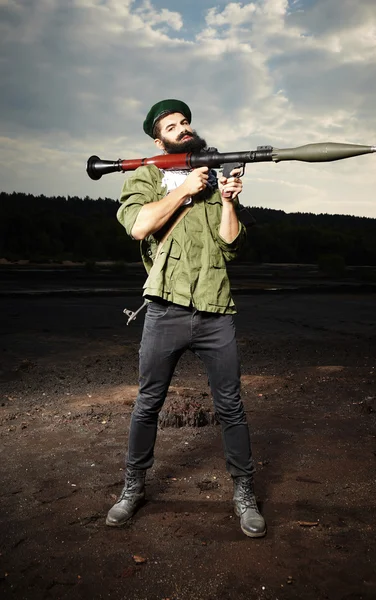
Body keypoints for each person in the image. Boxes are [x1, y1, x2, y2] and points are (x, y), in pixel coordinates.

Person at [106, 99, 266, 538]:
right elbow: (139, 226)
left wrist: (228, 201)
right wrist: (183, 190)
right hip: (165, 308)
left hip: (216, 308)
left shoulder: (213, 181)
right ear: (159, 140)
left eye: (186, 122)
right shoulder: (145, 176)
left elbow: (231, 245)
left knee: (231, 406)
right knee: (148, 403)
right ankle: (132, 488)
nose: (183, 127)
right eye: (172, 126)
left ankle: (244, 492)